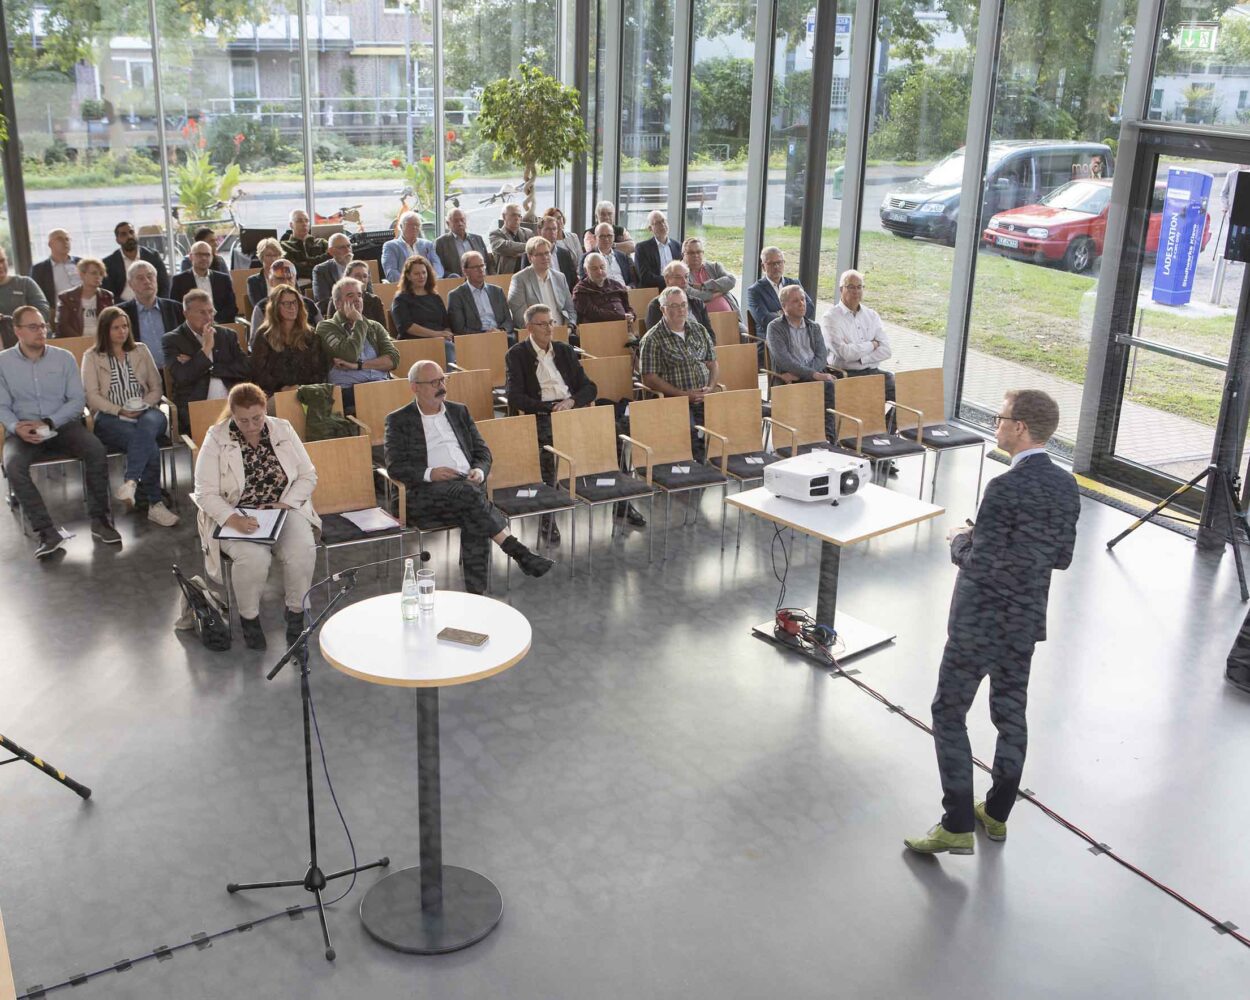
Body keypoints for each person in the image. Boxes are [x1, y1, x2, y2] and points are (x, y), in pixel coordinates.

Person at [904, 390, 1080, 857]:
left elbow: (981, 565)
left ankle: (957, 822)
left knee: (949, 712)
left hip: (979, 623)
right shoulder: (1066, 487)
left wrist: (962, 540)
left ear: (1020, 427)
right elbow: (1059, 557)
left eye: (1001, 419)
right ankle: (996, 814)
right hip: (1023, 623)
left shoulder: (1003, 487)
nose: (996, 425)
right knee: (1009, 715)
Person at [385, 359, 553, 593]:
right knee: (472, 499)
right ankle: (517, 553)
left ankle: (478, 594)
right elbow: (394, 466)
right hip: (426, 495)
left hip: (467, 489)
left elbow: (482, 451)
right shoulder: (399, 420)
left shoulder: (458, 411)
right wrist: (430, 473)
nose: (441, 386)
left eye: (443, 380)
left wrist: (480, 471)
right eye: (434, 382)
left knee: (473, 513)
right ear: (415, 387)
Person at [192, 381, 320, 651]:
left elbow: (308, 475)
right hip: (236, 515)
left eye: (257, 418)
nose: (251, 425)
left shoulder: (282, 429)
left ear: (265, 409)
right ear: (233, 414)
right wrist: (231, 518)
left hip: (281, 510)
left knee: (302, 550)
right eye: (243, 420)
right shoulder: (216, 437)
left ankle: (296, 613)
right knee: (254, 558)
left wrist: (286, 503)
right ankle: (249, 618)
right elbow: (204, 493)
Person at [0, 304, 119, 556]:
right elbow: (1, 405)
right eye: (33, 327)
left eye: (43, 325)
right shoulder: (3, 362)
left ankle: (100, 520)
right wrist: (15, 427)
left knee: (96, 450)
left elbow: (76, 401)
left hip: (62, 426)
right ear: (17, 331)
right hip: (23, 430)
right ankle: (46, 532)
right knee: (12, 465)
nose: (41, 331)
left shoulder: (63, 357)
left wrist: (50, 422)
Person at [504, 304, 598, 542]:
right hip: (542, 413)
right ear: (529, 328)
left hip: (570, 409)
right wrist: (548, 408)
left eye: (551, 323)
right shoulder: (517, 354)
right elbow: (515, 396)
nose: (549, 328)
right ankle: (548, 519)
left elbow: (590, 387)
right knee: (549, 453)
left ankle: (621, 504)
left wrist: (572, 401)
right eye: (542, 324)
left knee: (611, 437)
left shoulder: (564, 351)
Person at [81, 305, 179, 527]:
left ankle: (131, 481)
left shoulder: (140, 350)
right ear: (105, 330)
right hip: (111, 417)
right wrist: (120, 410)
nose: (122, 331)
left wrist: (145, 405)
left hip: (146, 412)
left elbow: (157, 386)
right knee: (150, 446)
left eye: (125, 326)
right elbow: (91, 396)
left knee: (148, 426)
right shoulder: (92, 357)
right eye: (116, 327)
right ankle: (155, 504)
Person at [639, 286, 718, 459]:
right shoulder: (652, 338)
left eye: (683, 304)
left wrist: (711, 387)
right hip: (675, 401)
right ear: (663, 310)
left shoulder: (699, 330)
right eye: (674, 306)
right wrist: (682, 395)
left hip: (706, 395)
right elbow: (649, 378)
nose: (681, 310)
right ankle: (697, 473)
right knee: (691, 437)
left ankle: (716, 465)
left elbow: (712, 363)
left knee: (733, 423)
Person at [164, 289, 251, 431]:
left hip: (231, 402)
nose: (208, 317)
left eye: (211, 312)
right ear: (186, 313)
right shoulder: (172, 340)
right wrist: (206, 349)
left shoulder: (227, 335)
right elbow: (182, 377)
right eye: (202, 312)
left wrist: (209, 368)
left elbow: (245, 368)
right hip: (197, 405)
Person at [765, 285, 837, 439]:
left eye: (803, 299)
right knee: (824, 384)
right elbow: (784, 360)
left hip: (799, 377)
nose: (801, 304)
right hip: (787, 382)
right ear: (784, 306)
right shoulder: (775, 327)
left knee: (830, 386)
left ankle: (829, 439)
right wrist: (813, 375)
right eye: (795, 301)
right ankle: (800, 441)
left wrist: (807, 375)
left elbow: (821, 357)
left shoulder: (814, 327)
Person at [317, 276, 398, 404]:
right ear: (337, 304)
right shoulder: (326, 327)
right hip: (348, 390)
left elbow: (393, 360)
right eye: (350, 295)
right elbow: (350, 355)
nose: (357, 299)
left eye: (359, 295)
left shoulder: (375, 326)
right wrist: (358, 322)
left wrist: (358, 366)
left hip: (381, 385)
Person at [820, 268, 895, 402]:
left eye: (859, 287)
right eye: (851, 287)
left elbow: (886, 351)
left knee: (898, 387)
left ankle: (887, 423)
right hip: (846, 373)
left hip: (872, 371)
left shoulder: (871, 315)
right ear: (841, 289)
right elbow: (845, 353)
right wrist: (872, 344)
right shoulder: (830, 318)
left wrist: (862, 359)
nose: (856, 291)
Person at [250, 284, 331, 397]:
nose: (292, 307)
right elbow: (259, 372)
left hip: (307, 392)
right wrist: (282, 388)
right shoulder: (264, 335)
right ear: (275, 307)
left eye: (294, 302)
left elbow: (319, 369)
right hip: (274, 394)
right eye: (286, 303)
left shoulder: (310, 335)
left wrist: (301, 388)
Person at [392, 255, 455, 365]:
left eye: (424, 272)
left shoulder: (435, 297)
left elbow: (446, 323)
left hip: (439, 340)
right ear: (408, 276)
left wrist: (447, 334)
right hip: (415, 342)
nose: (421, 276)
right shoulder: (401, 299)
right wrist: (436, 334)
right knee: (448, 348)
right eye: (417, 274)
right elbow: (406, 326)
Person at [119, 261, 184, 368]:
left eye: (150, 276)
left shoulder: (176, 308)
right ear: (130, 284)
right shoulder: (121, 313)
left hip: (174, 372)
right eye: (140, 278)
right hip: (138, 374)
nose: (147, 281)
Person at [507, 236, 576, 331]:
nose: (545, 257)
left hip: (562, 331)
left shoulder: (560, 277)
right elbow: (519, 316)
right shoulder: (519, 279)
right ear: (530, 258)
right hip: (536, 335)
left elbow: (570, 310)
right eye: (539, 254)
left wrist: (570, 328)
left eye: (547, 253)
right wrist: (540, 332)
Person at [249, 259, 321, 342]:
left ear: (295, 280)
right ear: (271, 281)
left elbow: (322, 333)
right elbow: (254, 342)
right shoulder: (261, 308)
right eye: (280, 279)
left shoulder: (309, 305)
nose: (286, 282)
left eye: (290, 278)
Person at [746, 247, 814, 335]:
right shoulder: (755, 291)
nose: (776, 266)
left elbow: (809, 307)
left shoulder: (794, 283)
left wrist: (780, 313)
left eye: (779, 262)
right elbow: (764, 319)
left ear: (784, 263)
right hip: (770, 339)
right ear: (763, 266)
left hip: (798, 335)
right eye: (771, 263)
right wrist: (794, 314)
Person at [447, 251, 513, 338]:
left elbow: (508, 320)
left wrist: (501, 331)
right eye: (475, 267)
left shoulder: (497, 291)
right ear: (465, 271)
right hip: (474, 339)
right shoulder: (456, 295)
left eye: (482, 265)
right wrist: (484, 335)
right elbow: (459, 328)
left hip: (499, 334)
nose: (481, 270)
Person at [682, 238, 741, 335]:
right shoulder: (681, 273)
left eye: (699, 252)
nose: (696, 255)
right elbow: (697, 296)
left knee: (746, 335)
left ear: (703, 253)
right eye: (691, 253)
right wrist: (720, 291)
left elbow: (731, 281)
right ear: (684, 254)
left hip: (731, 319)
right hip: (703, 324)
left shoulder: (715, 267)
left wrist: (703, 285)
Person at [170, 241, 237, 323]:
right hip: (191, 328)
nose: (204, 258)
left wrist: (214, 322)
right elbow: (176, 309)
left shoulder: (223, 279)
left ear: (212, 257)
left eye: (207, 255)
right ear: (191, 257)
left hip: (219, 326)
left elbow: (231, 308)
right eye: (199, 255)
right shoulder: (179, 280)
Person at [102, 221, 170, 301]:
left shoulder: (152, 256)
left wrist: (159, 305)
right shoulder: (109, 263)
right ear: (118, 240)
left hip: (152, 305)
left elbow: (164, 285)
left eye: (131, 232)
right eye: (124, 234)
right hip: (122, 309)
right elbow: (109, 293)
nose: (129, 236)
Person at [644, 261, 711, 331]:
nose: (684, 281)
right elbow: (655, 337)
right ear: (667, 280)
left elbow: (709, 334)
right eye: (678, 277)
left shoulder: (697, 303)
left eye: (686, 276)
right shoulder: (655, 305)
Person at [55, 258, 113, 339]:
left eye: (101, 274)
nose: (98, 277)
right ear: (82, 275)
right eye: (94, 273)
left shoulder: (107, 296)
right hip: (76, 341)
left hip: (101, 341)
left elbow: (112, 322)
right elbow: (63, 325)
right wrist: (81, 340)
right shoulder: (66, 297)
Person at [572, 252, 634, 325]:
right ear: (586, 271)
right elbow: (595, 314)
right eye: (594, 268)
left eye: (602, 267)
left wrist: (631, 316)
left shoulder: (617, 285)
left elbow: (628, 307)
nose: (599, 272)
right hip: (596, 332)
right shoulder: (580, 290)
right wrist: (621, 317)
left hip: (624, 329)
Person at [382, 211, 442, 283]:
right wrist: (412, 283)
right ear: (401, 226)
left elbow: (438, 266)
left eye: (417, 225)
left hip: (428, 285)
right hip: (405, 288)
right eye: (410, 225)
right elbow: (391, 272)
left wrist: (431, 280)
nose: (414, 227)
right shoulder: (391, 246)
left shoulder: (427, 245)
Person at [324, 260, 387, 328]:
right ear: (347, 277)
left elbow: (384, 330)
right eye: (357, 276)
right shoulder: (338, 299)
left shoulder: (374, 300)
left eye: (365, 276)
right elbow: (332, 328)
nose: (362, 279)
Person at [434, 207, 490, 278]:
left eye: (462, 220)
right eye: (456, 221)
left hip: (480, 280)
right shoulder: (441, 243)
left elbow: (488, 263)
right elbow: (439, 269)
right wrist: (453, 277)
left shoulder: (477, 239)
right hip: (456, 283)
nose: (460, 223)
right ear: (448, 224)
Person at [30, 229, 80, 307]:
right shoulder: (39, 269)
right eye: (60, 239)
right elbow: (35, 297)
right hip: (58, 313)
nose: (65, 242)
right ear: (50, 244)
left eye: (67, 239)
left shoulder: (81, 263)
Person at [0, 245, 51, 322]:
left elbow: (44, 312)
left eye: (2, 260)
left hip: (29, 333)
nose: (0, 266)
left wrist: (23, 322)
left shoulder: (25, 283)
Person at [633, 211, 682, 290]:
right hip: (654, 290)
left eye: (663, 221)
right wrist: (671, 281)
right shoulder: (642, 248)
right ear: (650, 228)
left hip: (677, 289)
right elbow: (645, 277)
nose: (662, 225)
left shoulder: (677, 246)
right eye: (657, 223)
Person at [533, 215, 580, 291]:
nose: (552, 232)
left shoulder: (565, 254)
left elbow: (573, 280)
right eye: (548, 229)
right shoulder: (531, 254)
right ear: (539, 231)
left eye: (554, 229)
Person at [280, 209, 330, 281]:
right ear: (291, 225)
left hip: (324, 283)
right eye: (299, 221)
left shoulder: (321, 242)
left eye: (307, 220)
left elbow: (331, 262)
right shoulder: (284, 246)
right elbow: (293, 269)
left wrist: (305, 263)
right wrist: (320, 263)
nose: (304, 224)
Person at [583, 223, 637, 287]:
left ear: (613, 237)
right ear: (595, 238)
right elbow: (584, 282)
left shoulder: (623, 256)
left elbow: (633, 281)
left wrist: (629, 288)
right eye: (602, 236)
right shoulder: (587, 258)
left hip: (625, 293)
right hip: (603, 294)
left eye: (609, 236)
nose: (606, 239)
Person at [488, 203, 532, 276]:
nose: (517, 218)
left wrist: (516, 253)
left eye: (519, 215)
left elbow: (535, 251)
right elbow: (505, 247)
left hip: (527, 276)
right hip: (506, 277)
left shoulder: (528, 233)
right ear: (504, 216)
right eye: (513, 215)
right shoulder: (495, 234)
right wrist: (529, 247)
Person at [311, 233, 354, 306]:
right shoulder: (321, 270)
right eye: (342, 247)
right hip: (335, 312)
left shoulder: (360, 268)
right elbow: (323, 301)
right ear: (331, 251)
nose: (348, 250)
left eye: (349, 246)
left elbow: (370, 296)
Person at [246, 239, 286, 310]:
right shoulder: (253, 281)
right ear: (262, 257)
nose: (273, 259)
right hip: (266, 316)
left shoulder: (288, 276)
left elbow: (298, 300)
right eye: (269, 255)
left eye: (276, 255)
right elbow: (259, 306)